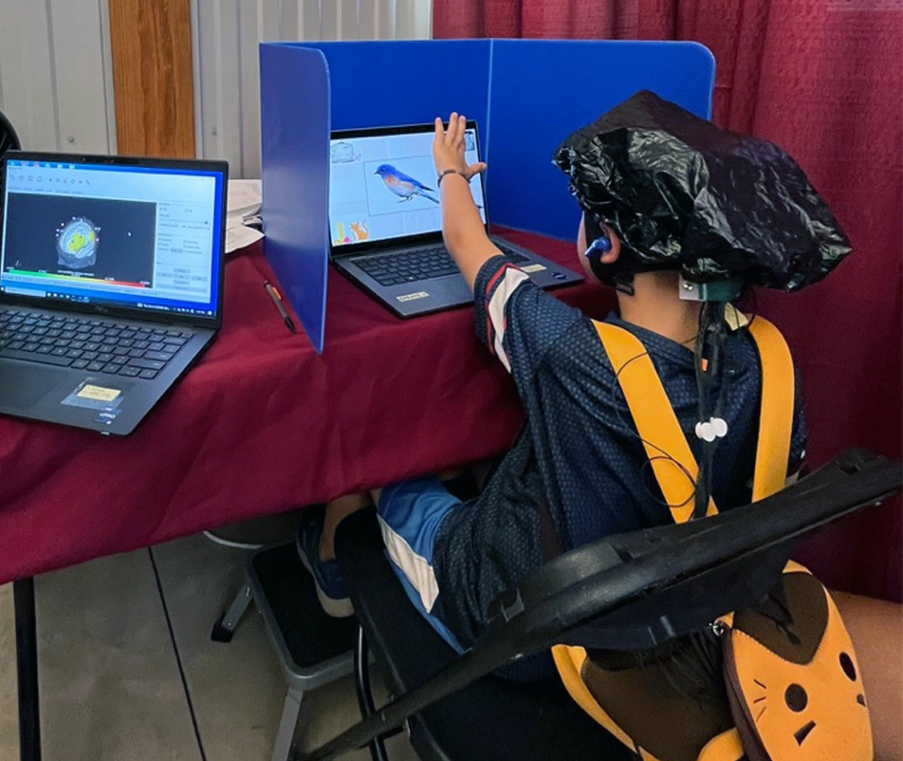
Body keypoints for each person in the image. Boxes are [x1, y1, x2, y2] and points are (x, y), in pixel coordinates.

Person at [296, 108, 901, 758]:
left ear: (604, 246)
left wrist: (448, 170)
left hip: (519, 624)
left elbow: (468, 244)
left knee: (388, 469)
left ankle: (334, 556)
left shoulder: (572, 354)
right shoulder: (771, 359)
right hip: (676, 610)